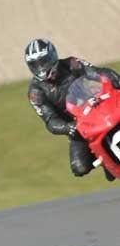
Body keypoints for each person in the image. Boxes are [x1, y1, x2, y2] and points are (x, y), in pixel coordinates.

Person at [25, 39, 120, 181]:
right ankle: (104, 158)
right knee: (79, 168)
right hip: (78, 126)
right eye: (35, 65)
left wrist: (114, 80)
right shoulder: (35, 92)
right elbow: (50, 120)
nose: (41, 68)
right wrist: (67, 127)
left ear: (52, 57)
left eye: (43, 62)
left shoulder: (71, 63)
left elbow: (96, 72)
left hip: (96, 106)